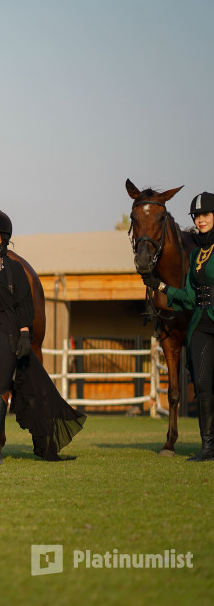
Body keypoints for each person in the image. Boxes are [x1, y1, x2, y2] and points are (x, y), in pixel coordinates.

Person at [0, 210, 85, 464]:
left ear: (3, 239)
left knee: (2, 386)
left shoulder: (14, 269)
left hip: (5, 333)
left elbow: (24, 306)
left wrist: (24, 333)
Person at [146, 191, 214, 461]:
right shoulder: (197, 255)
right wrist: (161, 287)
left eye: (205, 215)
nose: (200, 220)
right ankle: (208, 447)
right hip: (201, 324)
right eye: (197, 217)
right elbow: (188, 296)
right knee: (201, 384)